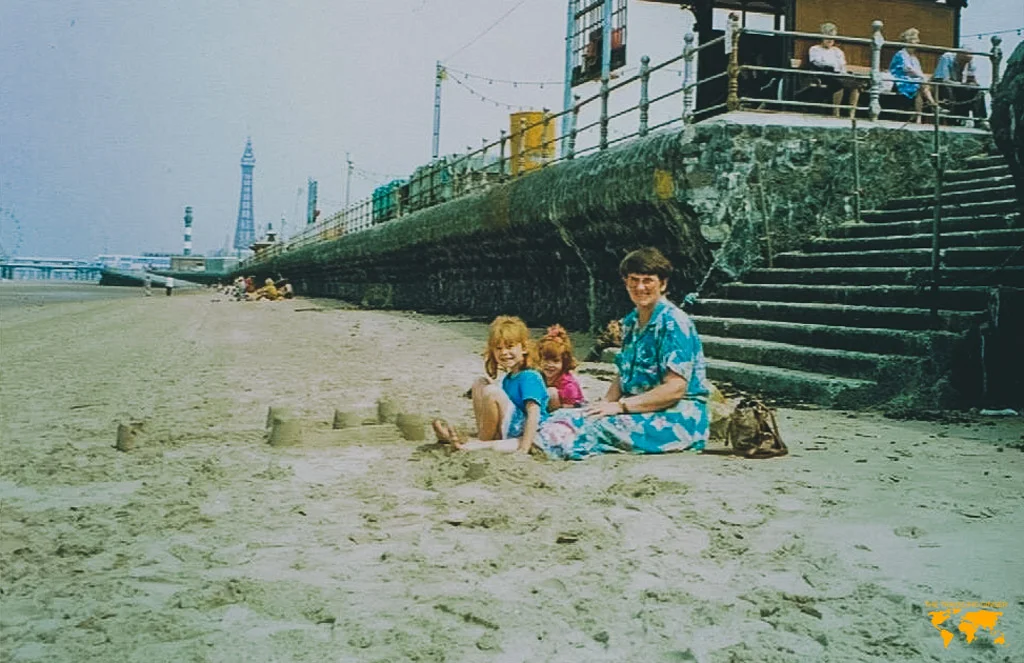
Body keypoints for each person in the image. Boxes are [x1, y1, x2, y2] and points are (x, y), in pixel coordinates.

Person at [531, 247, 711, 460]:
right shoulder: (632, 322)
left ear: (662, 284)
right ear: (626, 283)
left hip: (676, 417)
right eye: (634, 280)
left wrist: (620, 406)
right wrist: (605, 403)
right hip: (639, 408)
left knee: (591, 428)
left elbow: (674, 389)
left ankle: (525, 447)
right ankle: (527, 443)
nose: (640, 287)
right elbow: (624, 373)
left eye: (648, 280)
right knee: (566, 415)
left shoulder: (673, 323)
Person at [432, 315, 549, 453]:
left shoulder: (530, 377)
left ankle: (480, 441)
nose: (504, 352)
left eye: (510, 347)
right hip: (510, 425)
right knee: (480, 383)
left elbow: (533, 413)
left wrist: (524, 447)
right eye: (498, 348)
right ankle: (481, 435)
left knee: (491, 392)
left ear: (523, 348)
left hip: (527, 430)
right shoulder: (510, 377)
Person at [807, 22, 862, 118]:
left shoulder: (837, 51)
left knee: (856, 85)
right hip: (824, 73)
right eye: (827, 37)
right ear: (822, 37)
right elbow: (816, 62)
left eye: (832, 37)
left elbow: (842, 65)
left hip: (839, 74)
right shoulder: (815, 49)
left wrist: (844, 73)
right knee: (838, 85)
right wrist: (830, 66)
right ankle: (836, 112)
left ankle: (852, 113)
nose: (830, 40)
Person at [889, 28, 940, 123]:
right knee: (921, 85)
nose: (918, 42)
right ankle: (933, 104)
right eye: (916, 40)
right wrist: (922, 77)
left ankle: (919, 117)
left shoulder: (914, 58)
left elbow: (918, 71)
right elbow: (907, 70)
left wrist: (922, 77)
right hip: (901, 79)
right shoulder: (901, 54)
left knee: (921, 89)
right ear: (909, 41)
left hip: (914, 81)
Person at [932, 50, 989, 128]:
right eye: (963, 61)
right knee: (948, 89)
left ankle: (980, 120)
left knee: (978, 91)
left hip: (959, 86)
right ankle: (954, 118)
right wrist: (961, 85)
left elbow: (971, 78)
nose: (964, 63)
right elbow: (943, 79)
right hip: (944, 84)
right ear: (959, 55)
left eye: (967, 61)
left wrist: (974, 84)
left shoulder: (968, 62)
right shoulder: (947, 57)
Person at [536, 324, 585, 411]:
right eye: (546, 360)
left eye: (556, 361)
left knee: (551, 392)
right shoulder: (539, 376)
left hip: (566, 412)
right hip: (546, 408)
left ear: (564, 362)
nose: (550, 365)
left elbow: (573, 407)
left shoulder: (568, 385)